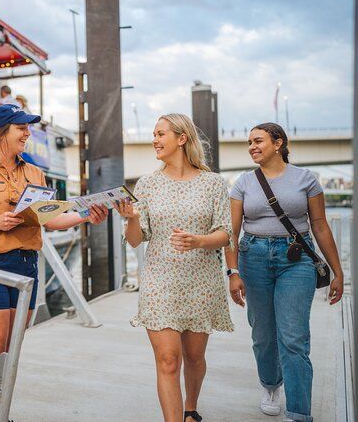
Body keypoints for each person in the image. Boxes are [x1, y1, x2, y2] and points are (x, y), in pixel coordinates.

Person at [0, 104, 108, 422]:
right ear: (0, 132)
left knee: (9, 356)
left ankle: (1, 415)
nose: (27, 133)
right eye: (21, 128)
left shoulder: (34, 173)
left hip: (27, 268)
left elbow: (51, 220)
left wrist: (88, 215)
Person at [114, 113, 233, 422]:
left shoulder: (214, 183)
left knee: (194, 357)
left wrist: (198, 242)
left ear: (182, 139)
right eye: (154, 134)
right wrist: (132, 218)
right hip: (159, 280)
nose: (154, 139)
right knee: (168, 360)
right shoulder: (147, 184)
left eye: (160, 133)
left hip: (201, 281)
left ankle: (190, 409)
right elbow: (136, 240)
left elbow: (225, 234)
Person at [225, 122, 343, 422]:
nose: (252, 146)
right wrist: (233, 272)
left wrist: (337, 271)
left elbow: (319, 225)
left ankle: (299, 413)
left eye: (258, 140)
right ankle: (270, 385)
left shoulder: (306, 179)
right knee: (263, 334)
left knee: (293, 337)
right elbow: (231, 231)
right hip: (253, 258)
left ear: (279, 143)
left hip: (296, 260)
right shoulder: (243, 183)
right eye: (249, 142)